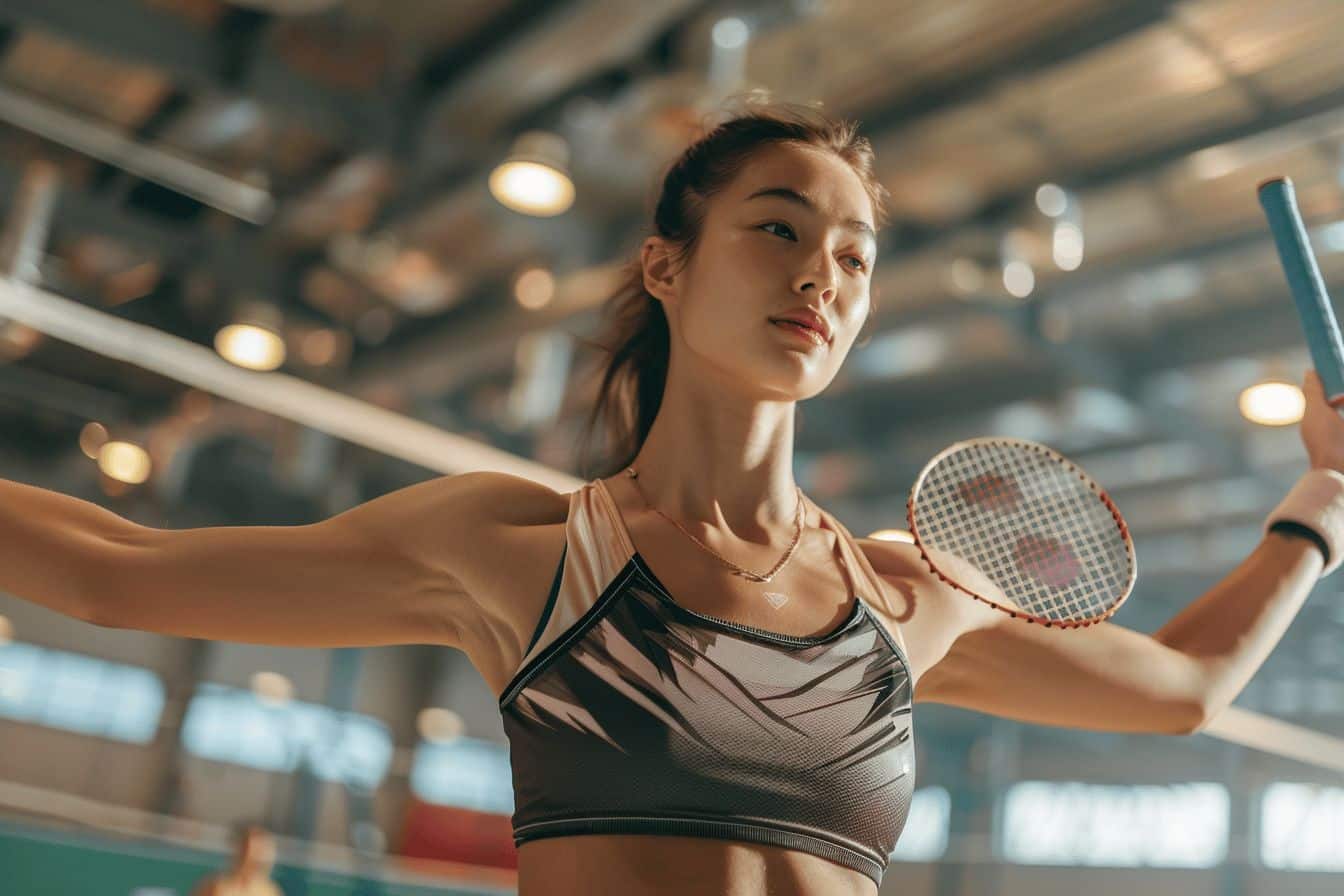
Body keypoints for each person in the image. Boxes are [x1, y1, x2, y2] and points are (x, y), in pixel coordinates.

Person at [2, 100, 1342, 896]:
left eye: (854, 257)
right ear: (665, 266)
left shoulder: (909, 598)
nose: (821, 275)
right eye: (777, 227)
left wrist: (1324, 497)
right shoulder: (518, 550)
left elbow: (1183, 691)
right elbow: (114, 570)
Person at [190, 823, 282, 896]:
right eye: (246, 852)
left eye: (259, 852)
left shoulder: (269, 891)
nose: (252, 859)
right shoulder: (215, 886)